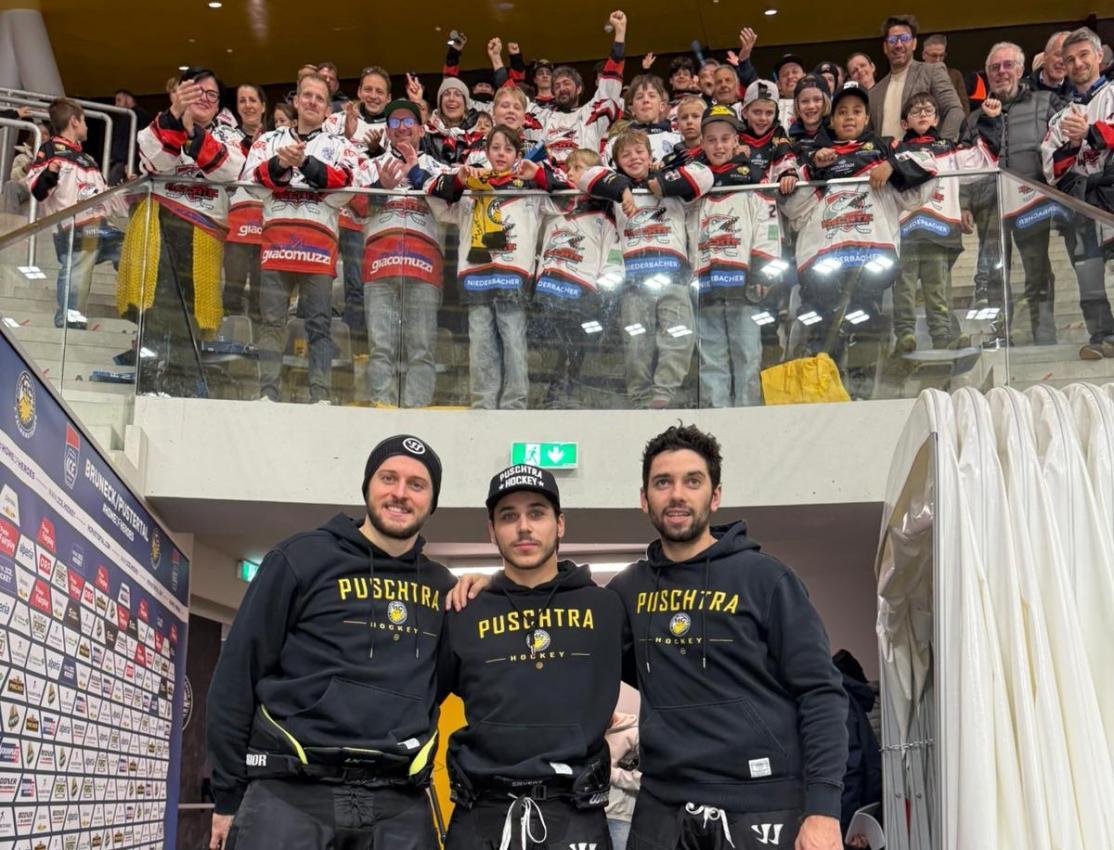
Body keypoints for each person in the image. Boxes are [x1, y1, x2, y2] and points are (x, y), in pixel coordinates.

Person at [205, 435, 457, 850]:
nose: (400, 493)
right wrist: (227, 797)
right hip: (290, 795)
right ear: (367, 486)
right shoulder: (300, 559)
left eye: (417, 484)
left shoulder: (442, 589)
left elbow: (446, 683)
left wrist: (490, 587)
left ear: (432, 502)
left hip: (399, 802)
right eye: (388, 478)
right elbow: (237, 675)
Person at [607, 424, 849, 850]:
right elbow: (567, 633)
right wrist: (489, 587)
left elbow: (822, 695)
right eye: (663, 482)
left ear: (715, 496)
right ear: (645, 499)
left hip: (763, 805)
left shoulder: (768, 580)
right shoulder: (627, 591)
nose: (677, 494)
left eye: (692, 481)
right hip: (662, 811)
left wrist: (824, 809)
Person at [438, 465, 623, 850]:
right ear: (492, 531)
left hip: (575, 815)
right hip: (481, 816)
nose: (523, 526)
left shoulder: (606, 609)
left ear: (560, 524)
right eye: (509, 516)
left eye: (536, 512)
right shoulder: (464, 611)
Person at [786, 82, 936, 399]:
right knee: (822, 328)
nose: (849, 117)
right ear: (831, 120)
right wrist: (812, 169)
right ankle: (821, 394)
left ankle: (861, 392)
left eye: (856, 111)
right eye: (842, 112)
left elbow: (928, 168)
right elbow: (791, 207)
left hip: (870, 257)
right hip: (822, 262)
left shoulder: (884, 149)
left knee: (865, 323)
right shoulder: (812, 157)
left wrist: (892, 166)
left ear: (867, 117)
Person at [244, 73, 364, 404]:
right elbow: (250, 186)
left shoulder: (340, 145)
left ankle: (320, 397)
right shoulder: (268, 140)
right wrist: (281, 164)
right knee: (271, 322)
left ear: (328, 110)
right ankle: (267, 394)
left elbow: (347, 188)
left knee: (319, 326)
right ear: (295, 101)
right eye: (306, 95)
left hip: (319, 248)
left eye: (319, 98)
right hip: (276, 245)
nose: (312, 102)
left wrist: (308, 166)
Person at [126, 66, 246, 397]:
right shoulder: (154, 128)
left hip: (203, 233)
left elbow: (231, 171)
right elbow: (156, 164)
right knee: (155, 304)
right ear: (180, 92)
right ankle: (147, 380)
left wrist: (195, 138)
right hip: (160, 225)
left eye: (212, 95)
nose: (205, 99)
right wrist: (177, 120)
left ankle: (180, 381)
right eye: (197, 92)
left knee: (193, 309)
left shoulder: (231, 138)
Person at [421, 125, 559, 409]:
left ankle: (514, 404)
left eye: (508, 149)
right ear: (486, 152)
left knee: (513, 342)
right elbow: (433, 198)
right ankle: (483, 403)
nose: (501, 154)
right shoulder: (471, 189)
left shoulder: (531, 189)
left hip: (513, 279)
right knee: (481, 344)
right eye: (495, 147)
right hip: (476, 278)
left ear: (517, 154)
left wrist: (539, 175)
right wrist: (458, 180)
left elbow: (565, 200)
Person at [576, 129, 713, 408]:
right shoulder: (614, 190)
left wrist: (662, 183)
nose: (634, 157)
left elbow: (705, 175)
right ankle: (639, 398)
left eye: (639, 152)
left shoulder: (668, 182)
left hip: (673, 275)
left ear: (651, 156)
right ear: (616, 162)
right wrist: (622, 188)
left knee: (679, 335)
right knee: (637, 343)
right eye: (625, 154)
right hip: (634, 282)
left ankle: (664, 394)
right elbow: (585, 176)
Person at [961, 41, 1067, 347]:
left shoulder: (1046, 103)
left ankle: (1044, 336)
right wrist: (963, 203)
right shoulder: (973, 119)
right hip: (989, 205)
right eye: (994, 68)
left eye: (1008, 65)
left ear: (1021, 70)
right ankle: (1000, 336)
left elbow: (1063, 148)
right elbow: (964, 163)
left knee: (1037, 271)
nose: (1001, 72)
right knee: (994, 274)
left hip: (1030, 203)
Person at [892, 92, 1002, 352]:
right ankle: (905, 336)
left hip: (938, 232)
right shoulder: (893, 150)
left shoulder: (949, 149)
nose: (922, 114)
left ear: (937, 119)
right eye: (915, 110)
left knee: (937, 288)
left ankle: (942, 336)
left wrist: (990, 120)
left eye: (928, 110)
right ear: (904, 122)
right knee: (904, 287)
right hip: (905, 231)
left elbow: (982, 159)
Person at [691, 104, 783, 408]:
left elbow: (767, 228)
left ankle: (747, 416)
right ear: (702, 143)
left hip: (744, 286)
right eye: (712, 140)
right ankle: (716, 418)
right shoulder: (692, 182)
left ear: (736, 142)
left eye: (725, 139)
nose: (719, 146)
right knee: (711, 357)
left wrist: (762, 273)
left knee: (748, 354)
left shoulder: (754, 177)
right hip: (706, 285)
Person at [361, 99, 447, 408]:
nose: (402, 128)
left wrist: (420, 176)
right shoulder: (369, 165)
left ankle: (416, 411)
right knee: (381, 346)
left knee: (421, 348)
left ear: (422, 130)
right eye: (395, 123)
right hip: (379, 266)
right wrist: (380, 188)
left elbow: (451, 207)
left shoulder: (438, 168)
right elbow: (354, 209)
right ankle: (382, 407)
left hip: (424, 267)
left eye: (408, 122)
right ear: (387, 131)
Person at [526, 148, 621, 409]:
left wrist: (605, 293)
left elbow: (611, 254)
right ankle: (547, 395)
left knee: (574, 349)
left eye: (578, 167)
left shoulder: (605, 210)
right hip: (547, 291)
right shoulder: (555, 204)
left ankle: (566, 393)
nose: (570, 172)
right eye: (569, 167)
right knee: (545, 347)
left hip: (582, 292)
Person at [1042, 27, 1114, 360]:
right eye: (1069, 59)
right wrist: (1072, 144)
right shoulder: (1060, 117)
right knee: (1088, 275)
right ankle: (1103, 336)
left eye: (1084, 54)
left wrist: (1091, 132)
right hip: (1082, 205)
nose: (1077, 63)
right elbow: (1050, 170)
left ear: (1099, 55)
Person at [24, 98, 125, 329]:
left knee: (133, 252)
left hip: (100, 225)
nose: (88, 127)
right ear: (74, 122)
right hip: (73, 228)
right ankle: (69, 322)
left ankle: (135, 309)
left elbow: (102, 197)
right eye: (85, 122)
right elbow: (38, 191)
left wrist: (126, 190)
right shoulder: (49, 151)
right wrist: (50, 173)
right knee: (78, 264)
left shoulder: (87, 158)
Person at [868, 15, 963, 141]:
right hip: (887, 159)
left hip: (926, 157)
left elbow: (955, 110)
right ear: (885, 47)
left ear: (914, 43)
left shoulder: (932, 71)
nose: (898, 45)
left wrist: (941, 147)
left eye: (904, 38)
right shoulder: (874, 93)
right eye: (892, 40)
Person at [223, 84, 268, 324]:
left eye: (253, 100)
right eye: (242, 101)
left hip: (267, 225)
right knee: (232, 291)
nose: (248, 105)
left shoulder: (277, 139)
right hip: (236, 224)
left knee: (261, 300)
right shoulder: (228, 139)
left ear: (263, 106)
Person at [832, 650, 882, 847]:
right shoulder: (849, 698)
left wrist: (843, 828)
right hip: (864, 811)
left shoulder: (836, 699)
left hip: (847, 822)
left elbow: (848, 768)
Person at [605, 74, 680, 164]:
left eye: (651, 96)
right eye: (639, 97)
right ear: (631, 109)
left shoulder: (678, 139)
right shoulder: (616, 143)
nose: (646, 100)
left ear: (662, 106)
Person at [606, 712, 640, 850]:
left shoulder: (635, 733)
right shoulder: (591, 732)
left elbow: (644, 779)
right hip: (590, 816)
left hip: (621, 818)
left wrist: (612, 773)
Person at [920, 34, 971, 114]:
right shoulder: (915, 75)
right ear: (924, 55)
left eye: (942, 56)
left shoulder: (955, 75)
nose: (938, 60)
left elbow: (964, 107)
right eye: (934, 56)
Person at [1030, 31, 1071, 96]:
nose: (1062, 62)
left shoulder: (1079, 92)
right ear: (1045, 56)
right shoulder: (1020, 91)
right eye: (1058, 54)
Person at [774, 53, 806, 130]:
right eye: (785, 74)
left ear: (805, 77)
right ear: (778, 85)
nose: (790, 76)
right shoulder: (771, 110)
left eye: (795, 72)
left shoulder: (817, 105)